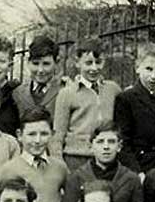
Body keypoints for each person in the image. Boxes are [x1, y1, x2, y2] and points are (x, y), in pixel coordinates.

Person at [59, 122, 145, 202]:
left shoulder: (131, 179)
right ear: (91, 146)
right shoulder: (77, 178)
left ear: (119, 146)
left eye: (111, 142)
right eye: (100, 142)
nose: (106, 147)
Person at [0, 107, 68, 202]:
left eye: (43, 134)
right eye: (31, 134)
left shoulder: (60, 168)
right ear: (19, 135)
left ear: (52, 135)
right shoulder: (9, 169)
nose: (37, 140)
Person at [51, 38, 122, 170]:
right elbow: (58, 134)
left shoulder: (113, 89)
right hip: (75, 158)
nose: (94, 68)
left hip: (105, 157)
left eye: (98, 62)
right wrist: (59, 165)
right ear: (77, 63)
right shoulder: (67, 93)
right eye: (88, 63)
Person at [113, 42, 155, 175]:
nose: (153, 76)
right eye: (148, 69)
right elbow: (123, 142)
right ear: (137, 68)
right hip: (141, 168)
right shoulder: (127, 99)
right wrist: (136, 172)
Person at [12, 35, 63, 124]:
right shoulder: (18, 93)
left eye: (46, 64)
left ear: (56, 63)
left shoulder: (65, 91)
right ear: (28, 63)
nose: (40, 70)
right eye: (35, 64)